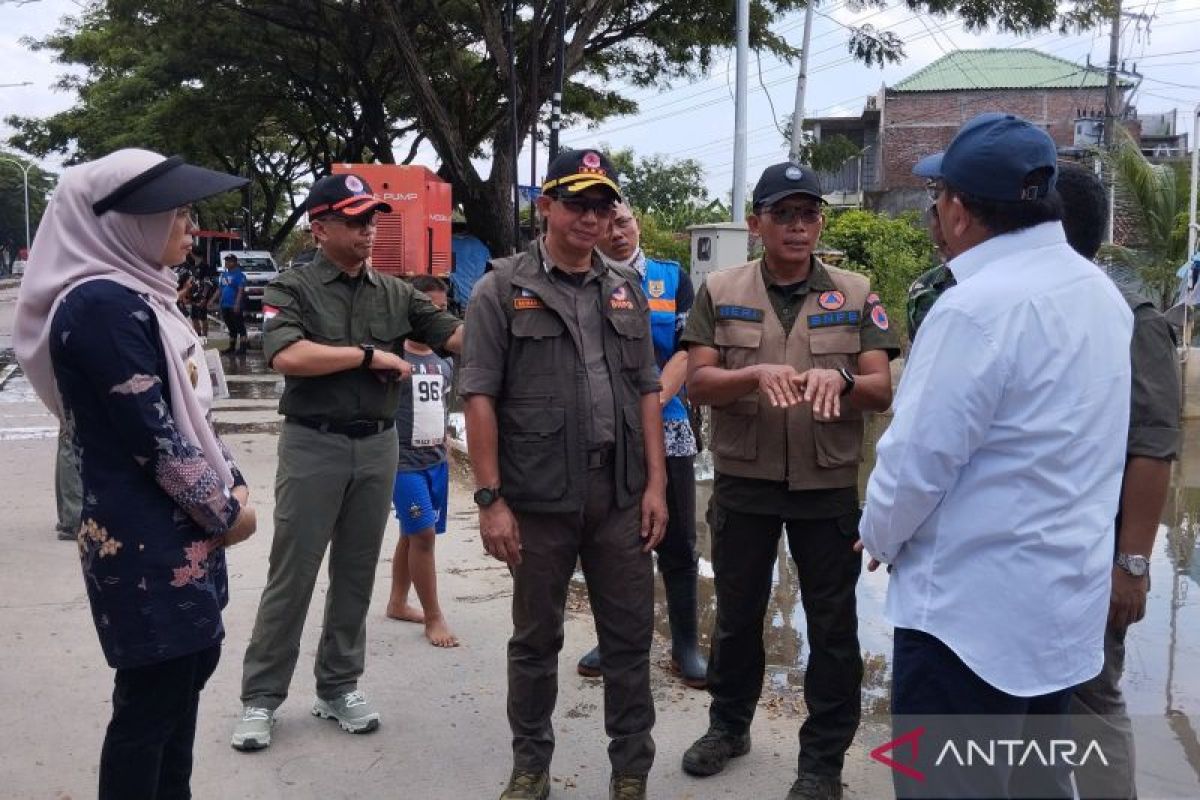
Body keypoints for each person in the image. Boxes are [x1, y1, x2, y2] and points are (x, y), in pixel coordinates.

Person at [858, 114, 1134, 799]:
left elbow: (916, 464)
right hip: (1059, 619)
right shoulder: (1102, 295)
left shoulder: (974, 308)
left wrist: (876, 535)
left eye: (937, 198)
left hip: (965, 626)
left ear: (957, 210)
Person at [13, 148, 257, 799]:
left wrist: (232, 481)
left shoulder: (147, 297)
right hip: (146, 543)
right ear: (119, 224)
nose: (188, 220)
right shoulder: (99, 306)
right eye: (171, 209)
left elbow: (194, 420)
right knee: (151, 707)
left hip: (182, 537)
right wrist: (231, 510)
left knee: (180, 693)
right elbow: (156, 440)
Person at [679, 162, 898, 800]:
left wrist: (845, 381)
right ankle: (729, 726)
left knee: (832, 625)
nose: (799, 227)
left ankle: (822, 761)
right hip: (745, 478)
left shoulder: (856, 292)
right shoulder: (721, 288)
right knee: (738, 614)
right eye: (784, 214)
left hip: (826, 482)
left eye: (809, 214)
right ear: (756, 224)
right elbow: (697, 381)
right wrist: (750, 376)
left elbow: (881, 390)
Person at [460, 148, 668, 800]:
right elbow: (479, 396)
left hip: (620, 493)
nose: (591, 216)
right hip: (539, 496)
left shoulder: (625, 288)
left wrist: (658, 485)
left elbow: (645, 391)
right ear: (545, 206)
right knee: (535, 640)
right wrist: (490, 499)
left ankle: (631, 770)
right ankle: (531, 766)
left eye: (602, 205)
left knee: (630, 639)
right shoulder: (500, 289)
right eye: (576, 202)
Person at [232, 172, 464, 752]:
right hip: (315, 444)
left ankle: (338, 686)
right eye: (355, 219)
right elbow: (286, 354)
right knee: (294, 573)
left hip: (379, 444)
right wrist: (367, 357)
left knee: (356, 573)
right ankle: (261, 699)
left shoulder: (396, 292)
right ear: (320, 227)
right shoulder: (292, 287)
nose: (368, 230)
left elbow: (457, 336)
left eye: (371, 219)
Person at [575, 200, 706, 689]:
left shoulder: (672, 279)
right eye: (606, 223)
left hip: (666, 424)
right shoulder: (582, 282)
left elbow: (690, 350)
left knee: (677, 540)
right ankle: (616, 640)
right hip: (603, 430)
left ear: (639, 222)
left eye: (624, 221)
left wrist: (651, 402)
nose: (615, 232)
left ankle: (686, 645)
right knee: (611, 540)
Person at [385, 274, 459, 649]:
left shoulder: (444, 362)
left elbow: (441, 406)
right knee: (423, 536)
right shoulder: (392, 357)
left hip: (435, 461)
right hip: (403, 463)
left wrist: (447, 441)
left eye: (442, 310)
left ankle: (398, 601)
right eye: (429, 310)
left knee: (410, 535)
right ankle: (434, 616)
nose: (436, 318)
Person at [218, 253, 247, 355]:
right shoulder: (224, 275)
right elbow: (220, 289)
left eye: (229, 261)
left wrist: (237, 304)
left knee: (240, 326)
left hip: (234, 304)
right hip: (225, 304)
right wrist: (213, 301)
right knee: (231, 327)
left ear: (234, 262)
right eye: (226, 261)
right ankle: (231, 347)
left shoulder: (239, 275)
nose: (226, 263)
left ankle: (243, 348)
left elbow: (240, 290)